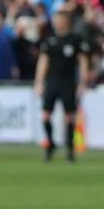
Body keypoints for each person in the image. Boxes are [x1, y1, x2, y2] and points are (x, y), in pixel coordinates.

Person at [34, 9, 90, 162]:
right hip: (51, 81)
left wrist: (83, 82)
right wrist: (39, 82)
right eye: (56, 20)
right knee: (45, 115)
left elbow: (83, 62)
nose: (57, 23)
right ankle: (50, 143)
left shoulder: (75, 40)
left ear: (66, 21)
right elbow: (43, 62)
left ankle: (70, 149)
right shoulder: (49, 40)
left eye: (60, 20)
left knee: (69, 117)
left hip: (68, 82)